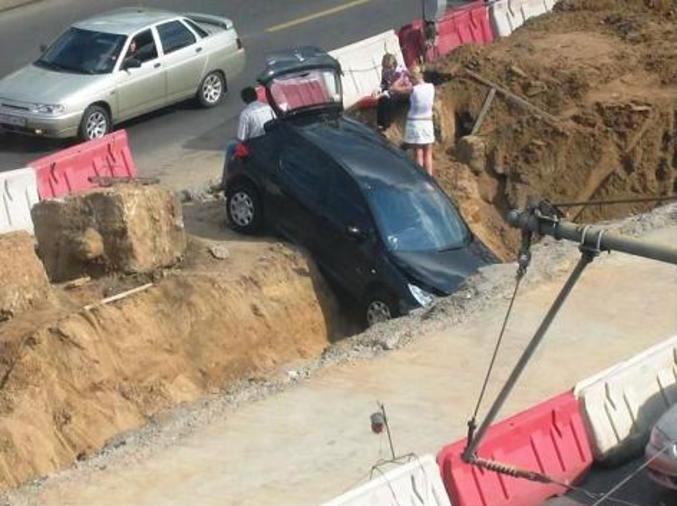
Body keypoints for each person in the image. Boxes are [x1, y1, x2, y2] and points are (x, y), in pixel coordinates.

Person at [403, 66, 435, 176]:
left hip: (415, 123)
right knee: (428, 153)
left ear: (412, 78)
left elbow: (393, 88)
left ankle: (421, 179)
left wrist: (403, 78)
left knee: (418, 154)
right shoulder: (431, 87)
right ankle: (430, 178)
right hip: (427, 122)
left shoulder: (413, 89)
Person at [374, 53, 411, 131]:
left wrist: (386, 93)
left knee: (390, 102)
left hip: (403, 93)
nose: (387, 70)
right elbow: (384, 82)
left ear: (394, 65)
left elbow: (397, 88)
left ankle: (388, 125)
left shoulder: (401, 72)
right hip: (392, 92)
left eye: (389, 67)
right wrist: (379, 89)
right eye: (385, 67)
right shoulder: (384, 71)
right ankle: (380, 125)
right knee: (381, 101)